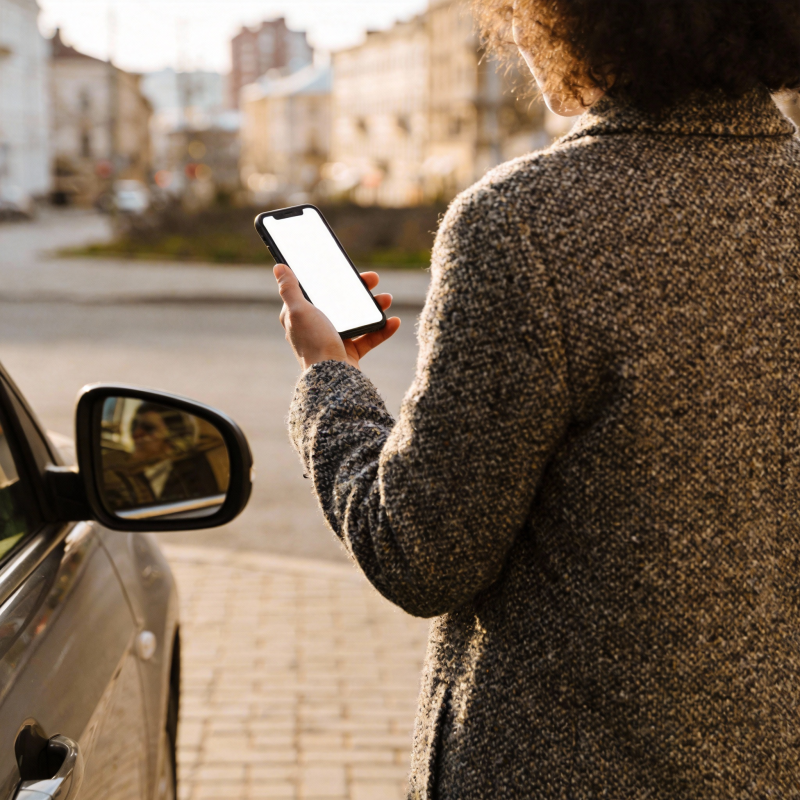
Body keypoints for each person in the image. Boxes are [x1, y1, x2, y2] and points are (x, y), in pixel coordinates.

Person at [273, 1, 800, 796]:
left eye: (521, 7)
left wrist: (328, 382)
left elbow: (420, 553)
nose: (514, 34)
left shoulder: (524, 223)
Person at [104, 403, 221, 512]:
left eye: (148, 428)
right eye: (134, 425)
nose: (136, 434)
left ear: (172, 442)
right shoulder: (115, 463)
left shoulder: (189, 482)